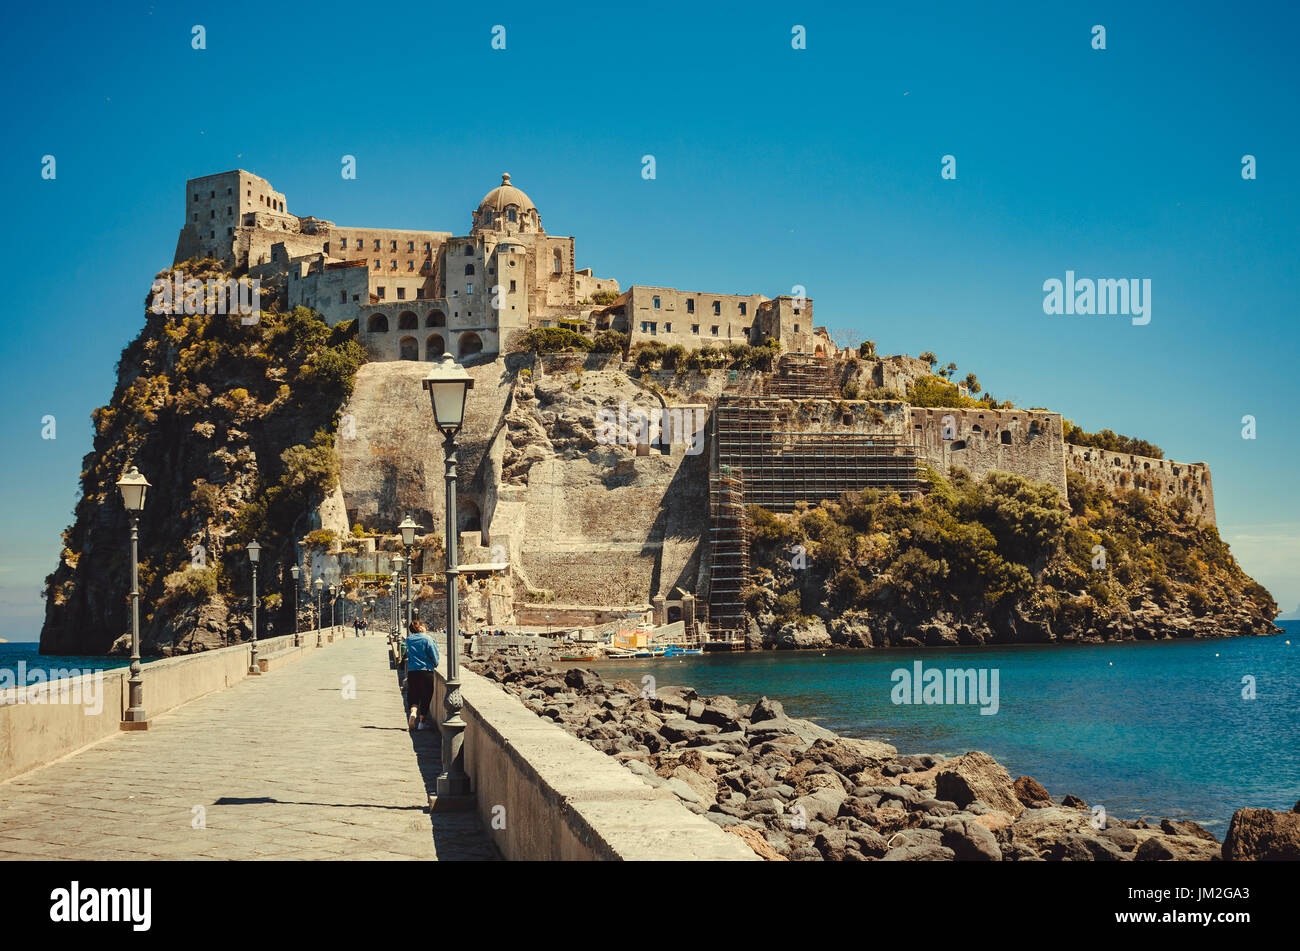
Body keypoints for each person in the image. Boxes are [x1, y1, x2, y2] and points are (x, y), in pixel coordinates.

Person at [405, 619, 439, 731]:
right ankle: (421, 723)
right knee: (426, 697)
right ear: (421, 627)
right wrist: (435, 663)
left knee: (413, 695)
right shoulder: (428, 639)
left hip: (412, 672)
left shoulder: (409, 639)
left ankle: (413, 713)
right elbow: (434, 656)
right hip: (426, 671)